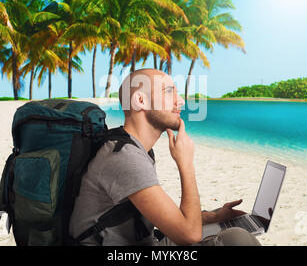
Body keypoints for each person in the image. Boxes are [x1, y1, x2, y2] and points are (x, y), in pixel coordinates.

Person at [68, 68, 260, 246]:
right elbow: (189, 235)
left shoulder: (135, 148)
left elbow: (158, 215)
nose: (181, 101)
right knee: (239, 239)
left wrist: (212, 217)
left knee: (226, 228)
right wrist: (185, 163)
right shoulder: (124, 157)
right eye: (169, 92)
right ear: (140, 101)